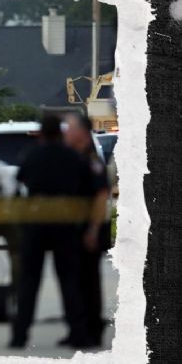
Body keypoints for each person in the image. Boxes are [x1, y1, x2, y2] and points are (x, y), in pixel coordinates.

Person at [9, 114, 93, 349]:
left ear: (42, 134)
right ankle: (78, 333)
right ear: (60, 132)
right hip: (64, 223)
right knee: (68, 281)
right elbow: (85, 188)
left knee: (29, 282)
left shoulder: (32, 155)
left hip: (36, 223)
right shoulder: (73, 157)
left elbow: (18, 182)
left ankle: (19, 335)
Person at [63, 113, 111, 347]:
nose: (66, 133)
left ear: (81, 132)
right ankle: (78, 332)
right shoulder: (75, 158)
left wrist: (92, 230)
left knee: (88, 282)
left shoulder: (91, 161)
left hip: (89, 232)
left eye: (70, 128)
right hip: (75, 231)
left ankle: (90, 331)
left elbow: (102, 196)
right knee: (77, 283)